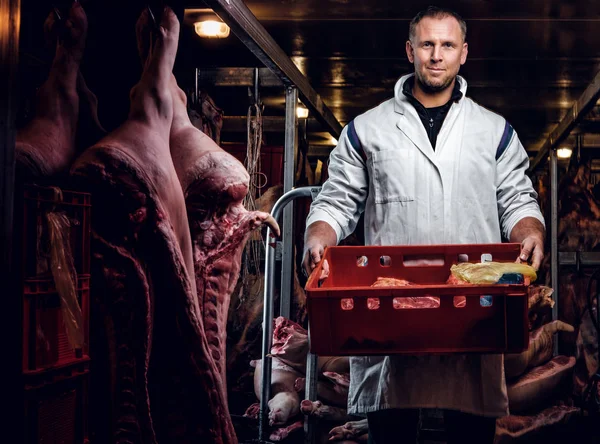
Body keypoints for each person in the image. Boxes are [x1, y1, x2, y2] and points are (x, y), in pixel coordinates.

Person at [302, 6, 545, 444]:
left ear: (464, 53)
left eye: (448, 45)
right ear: (410, 50)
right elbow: (336, 201)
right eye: (428, 44)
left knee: (470, 431)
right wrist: (318, 238)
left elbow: (517, 199)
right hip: (393, 312)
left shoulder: (493, 131)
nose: (437, 55)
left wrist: (530, 232)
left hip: (472, 311)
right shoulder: (368, 129)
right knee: (391, 430)